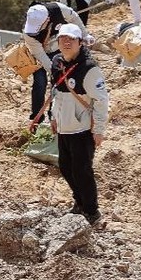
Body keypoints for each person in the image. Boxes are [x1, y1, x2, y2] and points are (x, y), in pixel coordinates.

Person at [48, 24, 109, 226]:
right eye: (63, 38)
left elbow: (101, 101)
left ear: (80, 42)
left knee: (82, 171)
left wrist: (98, 130)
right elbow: (55, 93)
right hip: (64, 126)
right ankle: (79, 202)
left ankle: (91, 210)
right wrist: (53, 117)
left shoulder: (89, 69)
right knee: (66, 167)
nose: (66, 42)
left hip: (82, 128)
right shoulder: (57, 62)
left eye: (71, 39)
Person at [22, 1, 86, 128]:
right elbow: (40, 55)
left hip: (57, 49)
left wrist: (84, 34)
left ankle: (54, 116)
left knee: (56, 85)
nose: (36, 31)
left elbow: (74, 18)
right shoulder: (29, 34)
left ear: (47, 20)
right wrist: (54, 70)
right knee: (40, 83)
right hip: (39, 54)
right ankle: (37, 118)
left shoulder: (59, 9)